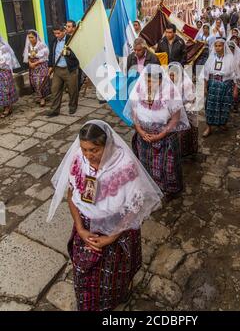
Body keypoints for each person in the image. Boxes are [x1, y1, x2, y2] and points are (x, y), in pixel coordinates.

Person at [47, 120, 162, 311]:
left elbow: (134, 206)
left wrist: (112, 236)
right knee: (85, 274)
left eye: (94, 150)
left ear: (107, 144)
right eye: (84, 149)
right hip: (86, 228)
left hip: (118, 227)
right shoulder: (79, 159)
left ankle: (118, 295)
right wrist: (81, 229)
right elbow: (71, 195)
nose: (88, 155)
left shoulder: (124, 165)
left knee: (116, 275)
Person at [124, 64, 190, 201]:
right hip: (144, 137)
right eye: (148, 79)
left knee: (166, 167)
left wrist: (161, 135)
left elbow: (175, 119)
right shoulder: (138, 90)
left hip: (165, 138)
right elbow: (134, 113)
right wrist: (140, 131)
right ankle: (150, 186)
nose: (150, 83)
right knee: (146, 163)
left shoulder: (170, 93)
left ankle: (169, 190)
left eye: (154, 80)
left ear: (161, 80)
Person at [202, 38, 240, 137]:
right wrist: (205, 87)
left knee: (224, 106)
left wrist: (235, 89)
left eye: (220, 46)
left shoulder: (230, 58)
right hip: (213, 85)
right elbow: (205, 74)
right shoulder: (211, 58)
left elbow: (236, 75)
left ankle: (222, 123)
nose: (218, 48)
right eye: (216, 46)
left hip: (226, 86)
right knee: (210, 107)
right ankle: (209, 127)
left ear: (224, 46)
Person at [47, 25, 79, 117]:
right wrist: (50, 66)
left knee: (72, 90)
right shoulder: (53, 41)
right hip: (57, 69)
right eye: (55, 33)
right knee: (55, 89)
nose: (56, 35)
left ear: (64, 31)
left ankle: (72, 107)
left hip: (69, 69)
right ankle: (54, 110)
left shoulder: (70, 39)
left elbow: (78, 52)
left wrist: (68, 53)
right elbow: (51, 54)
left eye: (58, 33)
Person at [168, 62, 198, 156]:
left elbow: (190, 99)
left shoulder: (186, 83)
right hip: (175, 111)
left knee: (185, 132)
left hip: (187, 111)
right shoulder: (169, 82)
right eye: (170, 75)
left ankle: (187, 152)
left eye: (173, 75)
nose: (171, 77)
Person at [23, 30, 51, 107]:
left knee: (40, 82)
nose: (31, 39)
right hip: (32, 66)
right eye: (29, 37)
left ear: (36, 37)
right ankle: (39, 96)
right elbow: (26, 56)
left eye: (32, 37)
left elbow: (45, 57)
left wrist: (35, 63)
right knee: (34, 82)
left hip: (41, 65)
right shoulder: (29, 46)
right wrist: (30, 63)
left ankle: (42, 98)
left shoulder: (41, 45)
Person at [0, 36, 20, 117]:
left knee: (5, 89)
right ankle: (6, 107)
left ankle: (7, 108)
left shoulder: (3, 48)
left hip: (4, 72)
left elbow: (5, 60)